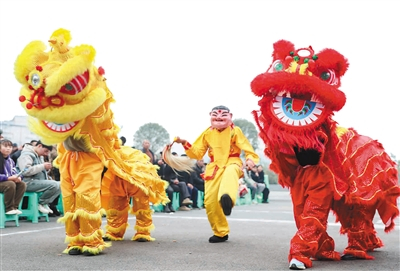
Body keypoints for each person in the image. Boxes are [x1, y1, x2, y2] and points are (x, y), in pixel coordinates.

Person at [173, 105, 259, 243]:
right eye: (215, 114)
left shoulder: (235, 131)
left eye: (223, 115)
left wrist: (250, 159)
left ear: (230, 116)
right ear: (210, 115)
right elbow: (197, 152)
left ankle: (227, 200)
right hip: (214, 167)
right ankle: (220, 232)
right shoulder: (208, 133)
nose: (219, 117)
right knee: (210, 201)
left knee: (229, 175)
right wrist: (184, 142)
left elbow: (247, 147)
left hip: (232, 162)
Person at [16, 140, 61, 214]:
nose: (46, 154)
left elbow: (39, 170)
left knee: (61, 184)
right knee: (54, 184)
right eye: (45, 151)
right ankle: (41, 203)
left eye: (47, 152)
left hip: (37, 181)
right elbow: (26, 171)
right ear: (39, 146)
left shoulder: (39, 156)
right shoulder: (27, 155)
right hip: (26, 182)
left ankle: (44, 203)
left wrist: (46, 169)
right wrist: (42, 166)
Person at [0, 139, 27, 215]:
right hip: (4, 182)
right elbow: (8, 178)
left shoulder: (10, 160)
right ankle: (8, 208)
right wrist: (8, 178)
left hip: (6, 182)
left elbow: (15, 172)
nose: (8, 148)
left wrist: (19, 177)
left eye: (10, 146)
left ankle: (14, 207)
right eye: (5, 146)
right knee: (10, 184)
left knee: (22, 184)